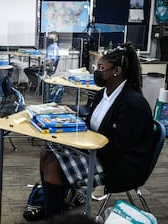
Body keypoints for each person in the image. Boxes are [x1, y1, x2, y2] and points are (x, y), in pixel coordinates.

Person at [23, 43, 155, 221]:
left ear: (116, 71)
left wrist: (80, 149)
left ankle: (53, 217)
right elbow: (93, 125)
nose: (96, 71)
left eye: (101, 68)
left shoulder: (132, 104)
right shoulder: (103, 94)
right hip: (98, 150)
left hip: (120, 165)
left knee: (54, 164)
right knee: (47, 151)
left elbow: (119, 149)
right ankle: (52, 206)